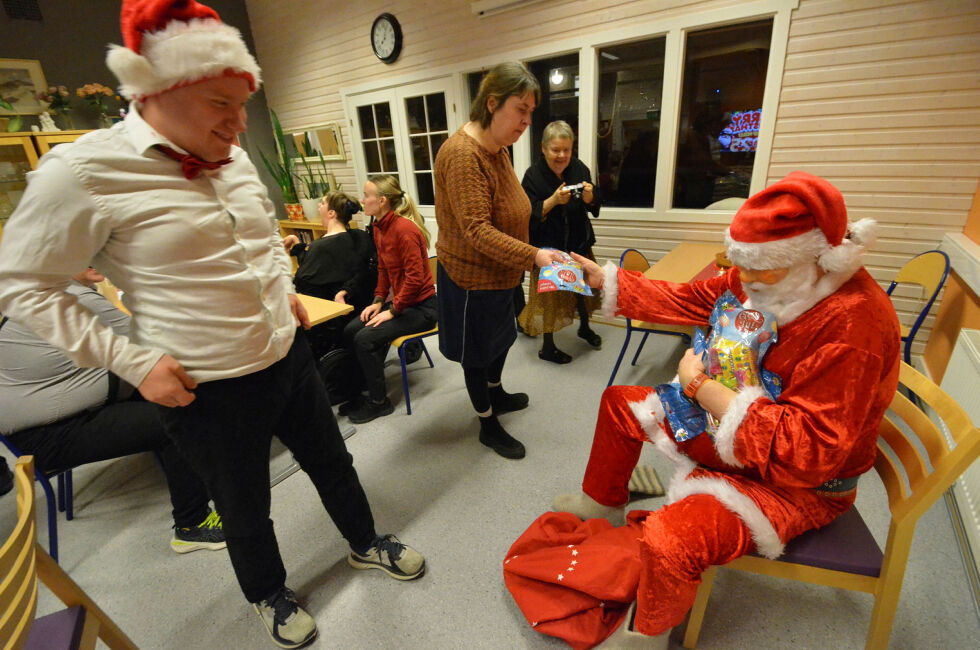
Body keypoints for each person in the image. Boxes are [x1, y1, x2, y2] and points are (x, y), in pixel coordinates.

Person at [0, 3, 424, 648]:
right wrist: (134, 362)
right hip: (206, 386)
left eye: (242, 102)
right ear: (158, 90)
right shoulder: (84, 171)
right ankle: (268, 595)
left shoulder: (229, 153)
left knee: (334, 463)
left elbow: (260, 241)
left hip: (287, 356)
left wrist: (282, 292)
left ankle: (365, 542)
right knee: (245, 502)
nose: (238, 121)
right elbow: (21, 284)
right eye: (220, 102)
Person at [524, 172, 899, 647]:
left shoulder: (854, 323)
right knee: (621, 403)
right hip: (735, 429)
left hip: (799, 486)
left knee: (669, 540)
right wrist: (608, 280)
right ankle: (603, 505)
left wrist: (703, 390)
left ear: (819, 259)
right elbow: (694, 297)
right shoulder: (767, 279)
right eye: (743, 267)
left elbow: (812, 453)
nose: (746, 281)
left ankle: (648, 637)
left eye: (762, 270)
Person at [0, 268, 224, 552]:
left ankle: (213, 469)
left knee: (175, 391)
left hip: (65, 411)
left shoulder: (52, 287)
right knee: (176, 414)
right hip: (46, 433)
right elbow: (162, 344)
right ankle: (193, 525)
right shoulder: (72, 297)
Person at [433, 61, 563, 460]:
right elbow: (477, 230)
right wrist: (536, 255)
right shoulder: (462, 156)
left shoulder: (499, 150)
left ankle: (497, 393)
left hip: (503, 273)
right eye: (520, 110)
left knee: (501, 340)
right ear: (492, 103)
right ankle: (487, 424)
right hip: (471, 277)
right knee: (477, 352)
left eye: (530, 112)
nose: (527, 121)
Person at [341, 175, 437, 423]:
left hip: (423, 308)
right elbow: (384, 270)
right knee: (352, 329)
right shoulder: (379, 228)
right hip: (403, 304)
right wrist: (376, 301)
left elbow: (415, 281)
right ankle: (366, 389)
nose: (362, 200)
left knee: (365, 339)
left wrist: (392, 310)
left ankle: (379, 402)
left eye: (366, 195)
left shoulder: (405, 230)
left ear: (382, 201)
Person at [518, 120, 603, 364]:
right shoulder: (532, 176)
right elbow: (528, 215)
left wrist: (590, 197)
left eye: (567, 149)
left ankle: (584, 328)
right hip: (548, 248)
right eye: (556, 149)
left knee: (583, 291)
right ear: (543, 148)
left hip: (578, 242)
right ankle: (547, 347)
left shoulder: (579, 168)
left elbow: (594, 202)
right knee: (548, 299)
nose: (562, 155)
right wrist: (553, 200)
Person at [283, 191, 376, 356]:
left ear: (332, 213)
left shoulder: (320, 247)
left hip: (328, 316)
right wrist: (299, 246)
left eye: (322, 203)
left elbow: (303, 279)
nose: (318, 206)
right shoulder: (359, 237)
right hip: (353, 307)